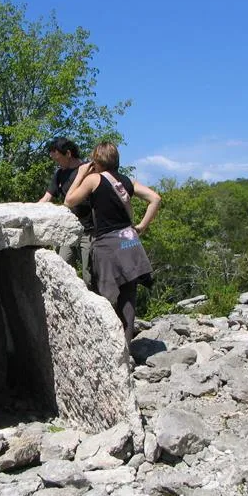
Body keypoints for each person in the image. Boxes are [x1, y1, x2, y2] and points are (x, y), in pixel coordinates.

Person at [65, 142, 161, 345]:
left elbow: (69, 200)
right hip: (129, 243)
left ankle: (108, 346)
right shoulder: (127, 181)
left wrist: (81, 173)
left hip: (107, 246)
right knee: (128, 296)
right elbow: (155, 198)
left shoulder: (93, 179)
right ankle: (126, 348)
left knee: (105, 297)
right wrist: (142, 225)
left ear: (97, 160)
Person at [38, 137, 94, 288]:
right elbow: (47, 197)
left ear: (68, 154)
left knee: (89, 276)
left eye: (58, 159)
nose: (57, 163)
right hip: (66, 228)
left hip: (88, 229)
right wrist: (29, 211)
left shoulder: (87, 170)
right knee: (61, 267)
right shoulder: (59, 174)